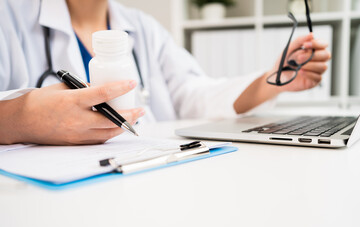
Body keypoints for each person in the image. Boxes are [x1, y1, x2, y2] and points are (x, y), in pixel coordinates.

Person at [0, 0, 331, 145]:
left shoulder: (144, 28)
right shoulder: (9, 16)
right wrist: (21, 118)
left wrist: (273, 79)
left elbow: (192, 95)